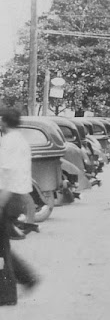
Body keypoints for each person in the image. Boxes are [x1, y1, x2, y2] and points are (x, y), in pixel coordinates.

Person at [0, 109, 40, 301]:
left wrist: (1, 202)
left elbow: (7, 174)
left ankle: (7, 293)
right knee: (2, 244)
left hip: (8, 196)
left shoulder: (9, 142)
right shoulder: (19, 140)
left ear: (3, 121)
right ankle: (26, 278)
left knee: (2, 246)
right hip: (16, 196)